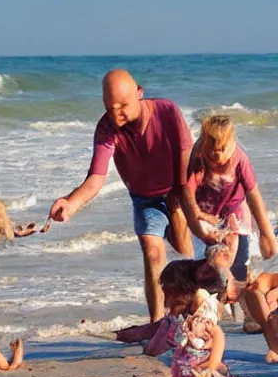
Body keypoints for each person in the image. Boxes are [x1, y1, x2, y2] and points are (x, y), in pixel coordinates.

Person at [49, 70, 194, 323]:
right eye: (110, 107)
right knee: (152, 251)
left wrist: (179, 195)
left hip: (178, 189)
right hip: (145, 198)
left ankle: (199, 311)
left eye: (123, 106)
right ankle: (157, 322)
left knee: (186, 254)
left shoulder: (167, 111)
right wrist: (70, 203)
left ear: (140, 92)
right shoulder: (106, 129)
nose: (117, 114)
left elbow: (186, 153)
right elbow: (95, 179)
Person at [183, 114, 277, 331]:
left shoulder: (240, 159)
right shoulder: (199, 157)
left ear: (231, 142)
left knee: (240, 267)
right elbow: (187, 191)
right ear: (204, 144)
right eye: (211, 149)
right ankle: (210, 312)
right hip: (205, 214)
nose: (216, 154)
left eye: (222, 149)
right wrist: (197, 217)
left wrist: (266, 234)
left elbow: (254, 195)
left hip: (236, 213)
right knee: (207, 267)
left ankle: (249, 314)